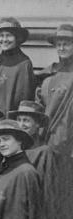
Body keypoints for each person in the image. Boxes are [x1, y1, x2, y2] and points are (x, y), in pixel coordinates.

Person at [0, 17, 35, 114]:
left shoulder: (23, 64)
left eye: (8, 35)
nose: (4, 40)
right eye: (1, 36)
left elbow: (24, 99)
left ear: (17, 38)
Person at [38, 24, 73, 157]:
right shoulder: (47, 76)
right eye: (59, 44)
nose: (62, 48)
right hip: (48, 138)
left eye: (67, 44)